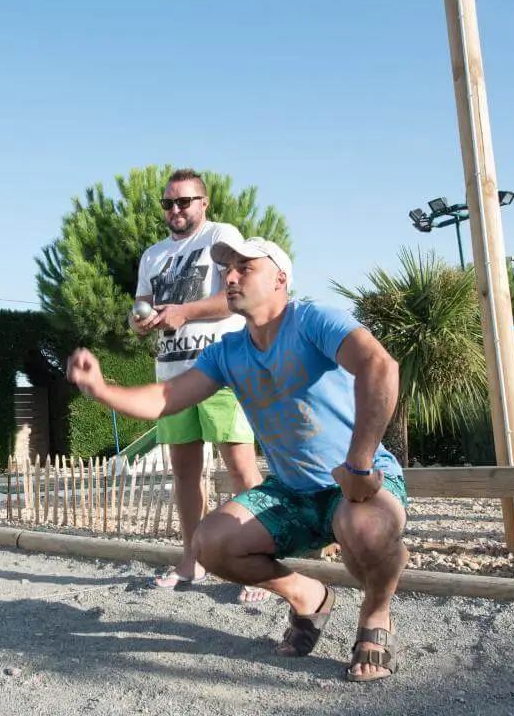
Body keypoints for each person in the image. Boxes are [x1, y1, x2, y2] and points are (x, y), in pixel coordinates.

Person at [68, 236, 408, 683]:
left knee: (363, 528)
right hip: (291, 493)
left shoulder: (312, 320)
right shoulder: (229, 352)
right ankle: (307, 595)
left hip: (359, 481)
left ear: (280, 278)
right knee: (208, 544)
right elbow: (167, 397)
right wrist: (102, 390)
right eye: (226, 268)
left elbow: (379, 366)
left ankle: (375, 616)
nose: (229, 276)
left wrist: (361, 464)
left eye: (244, 267)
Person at [132, 167, 266, 603]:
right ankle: (192, 559)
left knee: (241, 469)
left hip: (219, 370)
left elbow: (233, 296)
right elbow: (145, 302)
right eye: (168, 203)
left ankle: (257, 563)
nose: (175, 209)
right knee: (184, 473)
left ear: (203, 203)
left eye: (183, 201)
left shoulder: (221, 236)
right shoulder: (152, 255)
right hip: (171, 375)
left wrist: (184, 312)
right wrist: (139, 317)